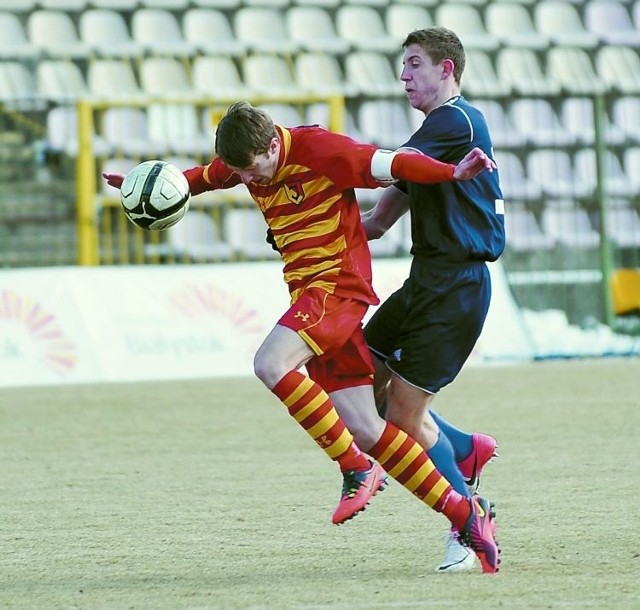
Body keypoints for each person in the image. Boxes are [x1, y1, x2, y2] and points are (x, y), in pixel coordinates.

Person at [103, 101, 500, 573]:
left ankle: (355, 469)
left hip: (337, 287)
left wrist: (453, 173)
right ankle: (464, 514)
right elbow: (207, 177)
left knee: (271, 363)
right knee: (367, 426)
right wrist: (151, 188)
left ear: (273, 144)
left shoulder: (320, 150)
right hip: (311, 295)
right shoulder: (247, 163)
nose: (249, 181)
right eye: (241, 173)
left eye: (253, 171)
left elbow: (391, 163)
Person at [360, 27, 506, 573]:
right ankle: (464, 448)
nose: (404, 75)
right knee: (356, 371)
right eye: (402, 65)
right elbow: (386, 206)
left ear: (447, 70)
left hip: (456, 285)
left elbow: (395, 167)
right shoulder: (437, 135)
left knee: (400, 417)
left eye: (415, 64)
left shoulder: (456, 120)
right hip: (428, 279)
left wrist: (326, 165)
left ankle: (469, 521)